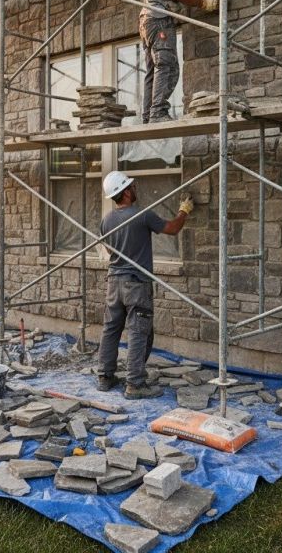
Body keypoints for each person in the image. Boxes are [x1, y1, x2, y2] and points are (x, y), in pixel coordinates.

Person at [97, 170, 193, 399]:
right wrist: (184, 211)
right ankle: (135, 384)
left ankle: (105, 377)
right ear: (126, 192)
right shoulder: (142, 216)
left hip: (114, 282)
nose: (135, 188)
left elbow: (110, 250)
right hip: (136, 285)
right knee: (139, 333)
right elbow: (172, 228)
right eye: (132, 186)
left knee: (111, 330)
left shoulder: (106, 220)